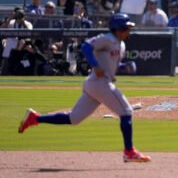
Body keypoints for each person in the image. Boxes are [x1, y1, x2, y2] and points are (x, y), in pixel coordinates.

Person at [18, 13, 151, 163]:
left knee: (73, 118)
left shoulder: (121, 44)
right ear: (118, 28)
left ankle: (35, 118)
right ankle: (129, 151)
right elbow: (86, 46)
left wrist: (123, 67)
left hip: (95, 84)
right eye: (126, 27)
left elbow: (110, 66)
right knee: (126, 112)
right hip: (100, 83)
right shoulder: (107, 38)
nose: (129, 30)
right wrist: (94, 64)